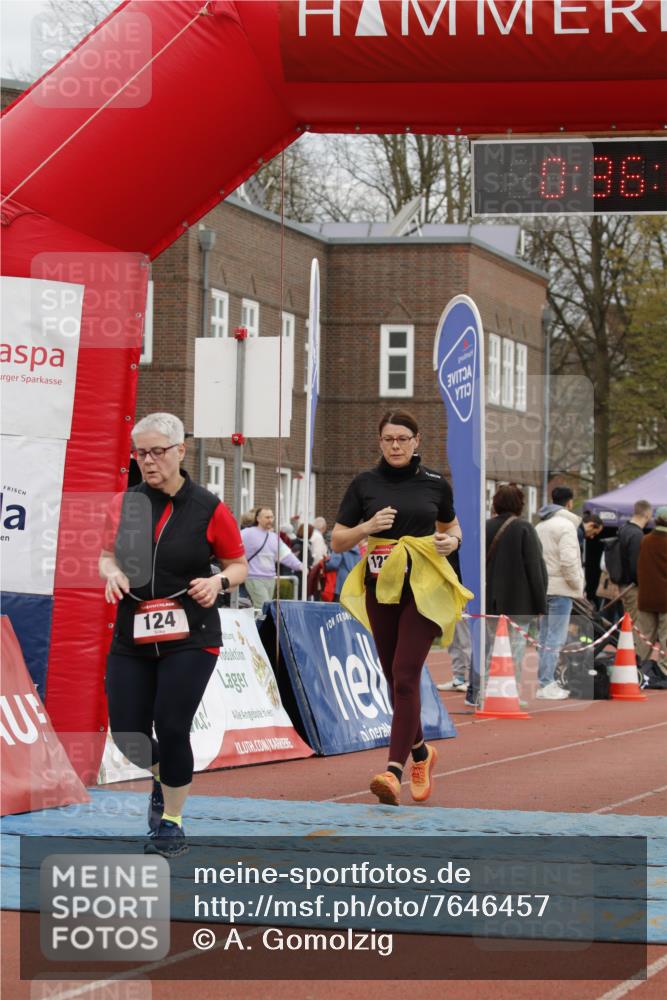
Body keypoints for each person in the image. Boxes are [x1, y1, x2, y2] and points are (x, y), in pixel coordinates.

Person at [99, 412, 248, 857]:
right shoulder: (124, 504)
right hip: (133, 632)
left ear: (181, 451)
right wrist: (110, 572)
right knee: (128, 733)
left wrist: (218, 582)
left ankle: (172, 822)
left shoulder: (208, 508)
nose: (148, 461)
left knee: (171, 723)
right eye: (140, 453)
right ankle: (164, 777)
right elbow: (106, 554)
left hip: (191, 634)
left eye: (157, 452)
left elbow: (238, 565)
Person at [331, 409, 472, 807]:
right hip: (381, 588)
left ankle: (393, 773)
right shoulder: (364, 484)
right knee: (394, 679)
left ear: (416, 441)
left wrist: (453, 542)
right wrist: (367, 527)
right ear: (380, 442)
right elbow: (338, 541)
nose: (395, 446)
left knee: (405, 674)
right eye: (389, 439)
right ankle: (422, 753)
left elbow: (452, 527)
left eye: (402, 439)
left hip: (424, 588)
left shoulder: (435, 483)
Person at [486, 484, 548, 698]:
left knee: (493, 647)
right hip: (520, 601)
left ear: (495, 503)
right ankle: (511, 693)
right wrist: (540, 604)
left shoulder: (485, 527)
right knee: (516, 648)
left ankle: (489, 691)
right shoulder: (524, 528)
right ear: (520, 504)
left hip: (491, 600)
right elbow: (535, 568)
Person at [534, 485, 585, 699]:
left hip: (543, 587)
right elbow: (569, 561)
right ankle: (546, 682)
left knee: (544, 637)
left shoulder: (540, 526)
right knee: (555, 638)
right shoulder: (566, 526)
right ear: (570, 502)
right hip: (561, 588)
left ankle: (544, 680)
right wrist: (577, 585)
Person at [241, 506, 302, 608]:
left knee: (265, 608)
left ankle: (256, 619)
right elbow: (233, 545)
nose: (270, 520)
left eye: (271, 517)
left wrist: (299, 565)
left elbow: (285, 554)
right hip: (254, 577)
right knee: (264, 606)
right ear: (258, 518)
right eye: (267, 517)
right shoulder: (247, 533)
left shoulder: (274, 537)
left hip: (270, 578)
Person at [636, 506, 667, 676]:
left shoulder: (645, 540)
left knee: (644, 636)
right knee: (665, 636)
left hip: (646, 596)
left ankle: (639, 667)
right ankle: (664, 670)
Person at [617, 500, 653, 624]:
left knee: (628, 622)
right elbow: (636, 566)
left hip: (623, 584)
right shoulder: (637, 534)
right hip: (632, 587)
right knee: (635, 625)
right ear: (647, 514)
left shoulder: (623, 529)